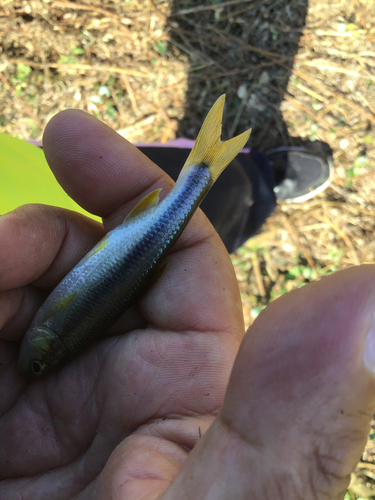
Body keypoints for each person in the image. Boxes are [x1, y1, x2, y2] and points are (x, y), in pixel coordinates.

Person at [1, 108, 374, 500]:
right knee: (205, 233)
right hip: (101, 224)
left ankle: (246, 177)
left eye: (37, 363)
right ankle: (248, 179)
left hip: (68, 206)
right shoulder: (52, 332)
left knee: (146, 189)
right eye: (38, 362)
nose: (33, 360)